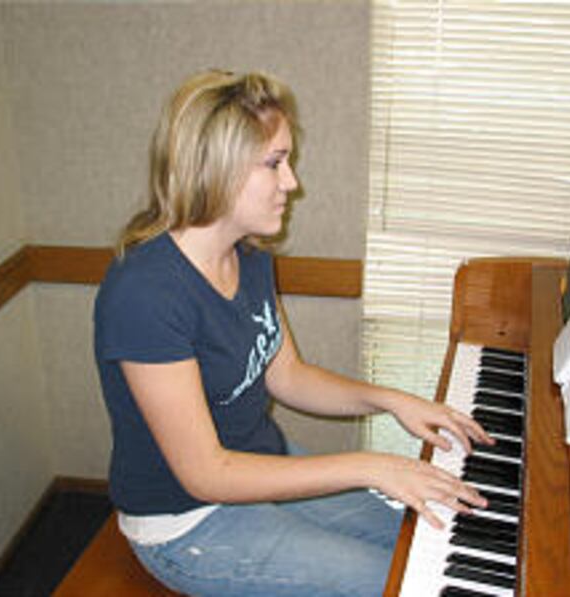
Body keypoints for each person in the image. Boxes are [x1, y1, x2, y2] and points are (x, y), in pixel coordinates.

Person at [93, 69, 494, 597]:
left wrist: (392, 400)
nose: (292, 183)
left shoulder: (250, 259)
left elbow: (290, 376)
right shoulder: (144, 295)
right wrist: (369, 467)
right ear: (216, 168)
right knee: (401, 585)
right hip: (188, 523)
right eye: (275, 163)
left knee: (424, 541)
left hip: (263, 463)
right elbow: (206, 474)